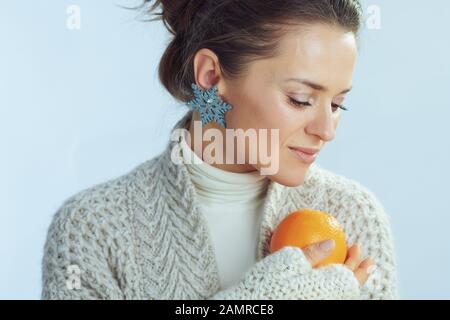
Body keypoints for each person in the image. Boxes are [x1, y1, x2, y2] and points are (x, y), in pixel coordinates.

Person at [41, 0, 400, 299]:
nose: (326, 130)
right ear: (211, 77)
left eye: (338, 105)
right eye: (301, 99)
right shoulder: (91, 229)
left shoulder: (353, 215)